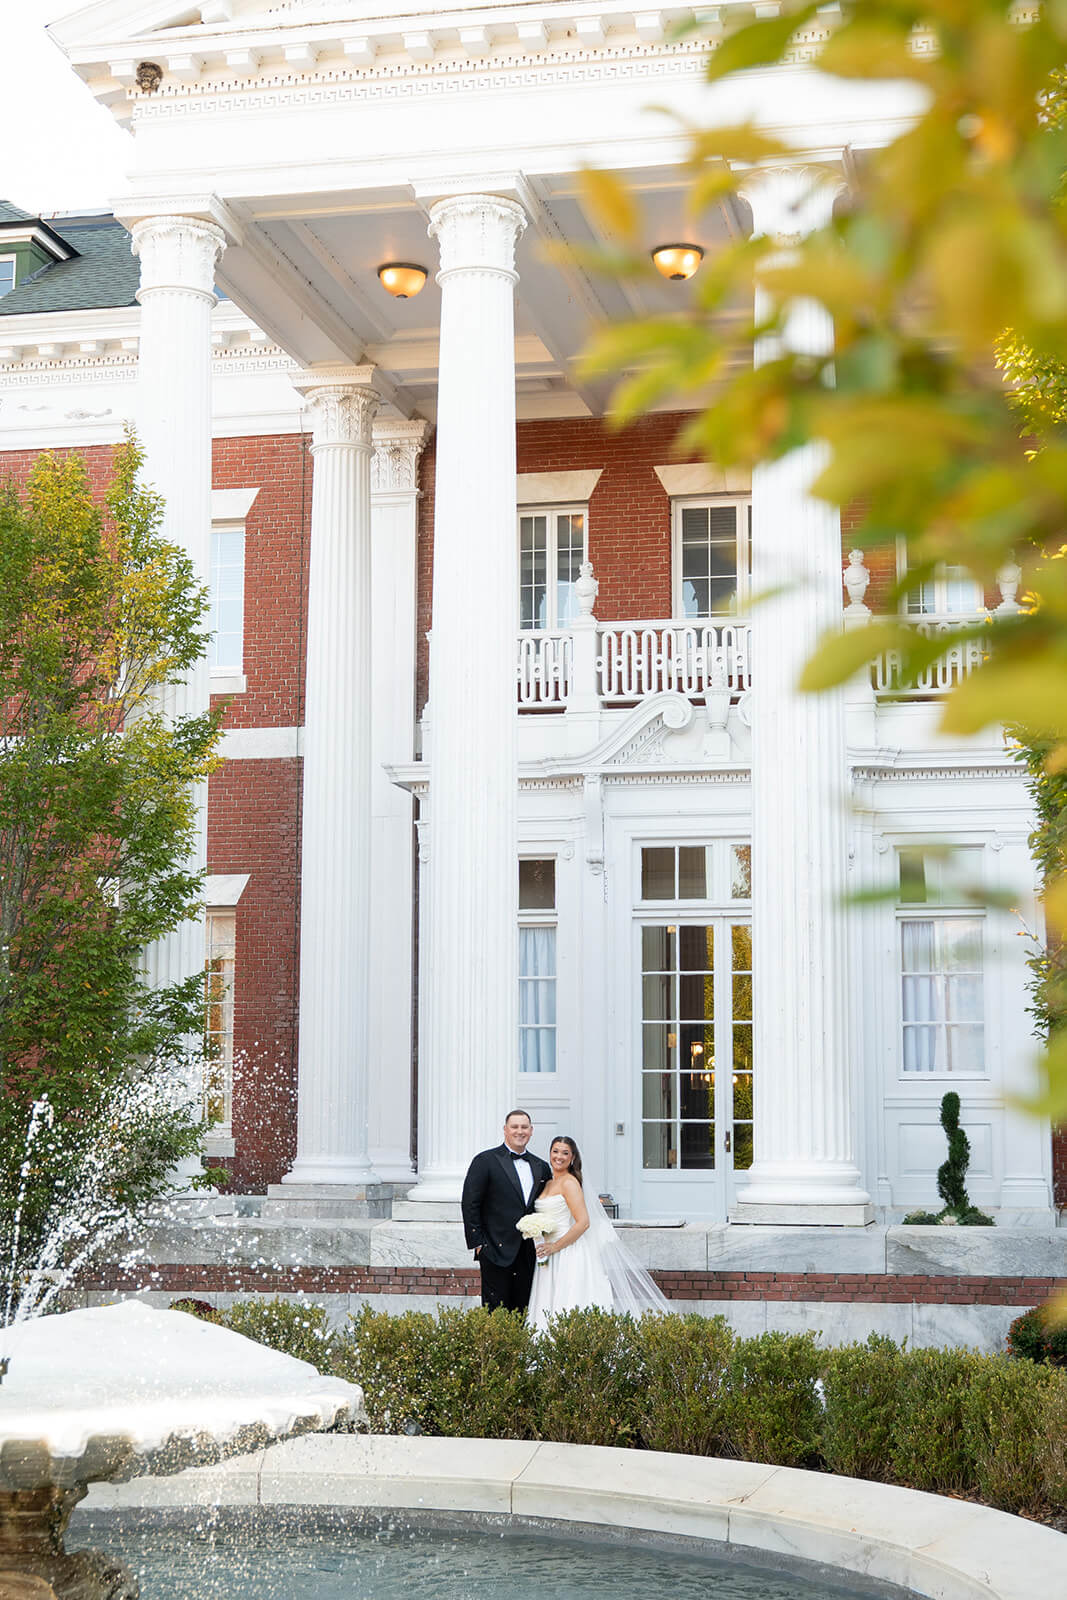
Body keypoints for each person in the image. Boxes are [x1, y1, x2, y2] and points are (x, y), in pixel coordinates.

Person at [526, 1135, 670, 1334]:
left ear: (573, 1157)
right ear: (550, 1153)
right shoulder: (549, 1183)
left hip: (567, 1251)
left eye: (565, 1153)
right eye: (555, 1151)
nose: (559, 1156)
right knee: (547, 1302)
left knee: (567, 1301)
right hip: (547, 1254)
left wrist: (555, 1246)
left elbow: (583, 1222)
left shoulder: (569, 1183)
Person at [460, 1109, 551, 1312]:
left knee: (524, 1309)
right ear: (505, 1130)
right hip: (494, 1248)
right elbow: (470, 1203)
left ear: (531, 1130)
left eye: (524, 1127)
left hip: (529, 1251)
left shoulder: (541, 1166)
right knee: (495, 1311)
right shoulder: (485, 1161)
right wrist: (478, 1244)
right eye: (515, 1127)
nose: (520, 1131)